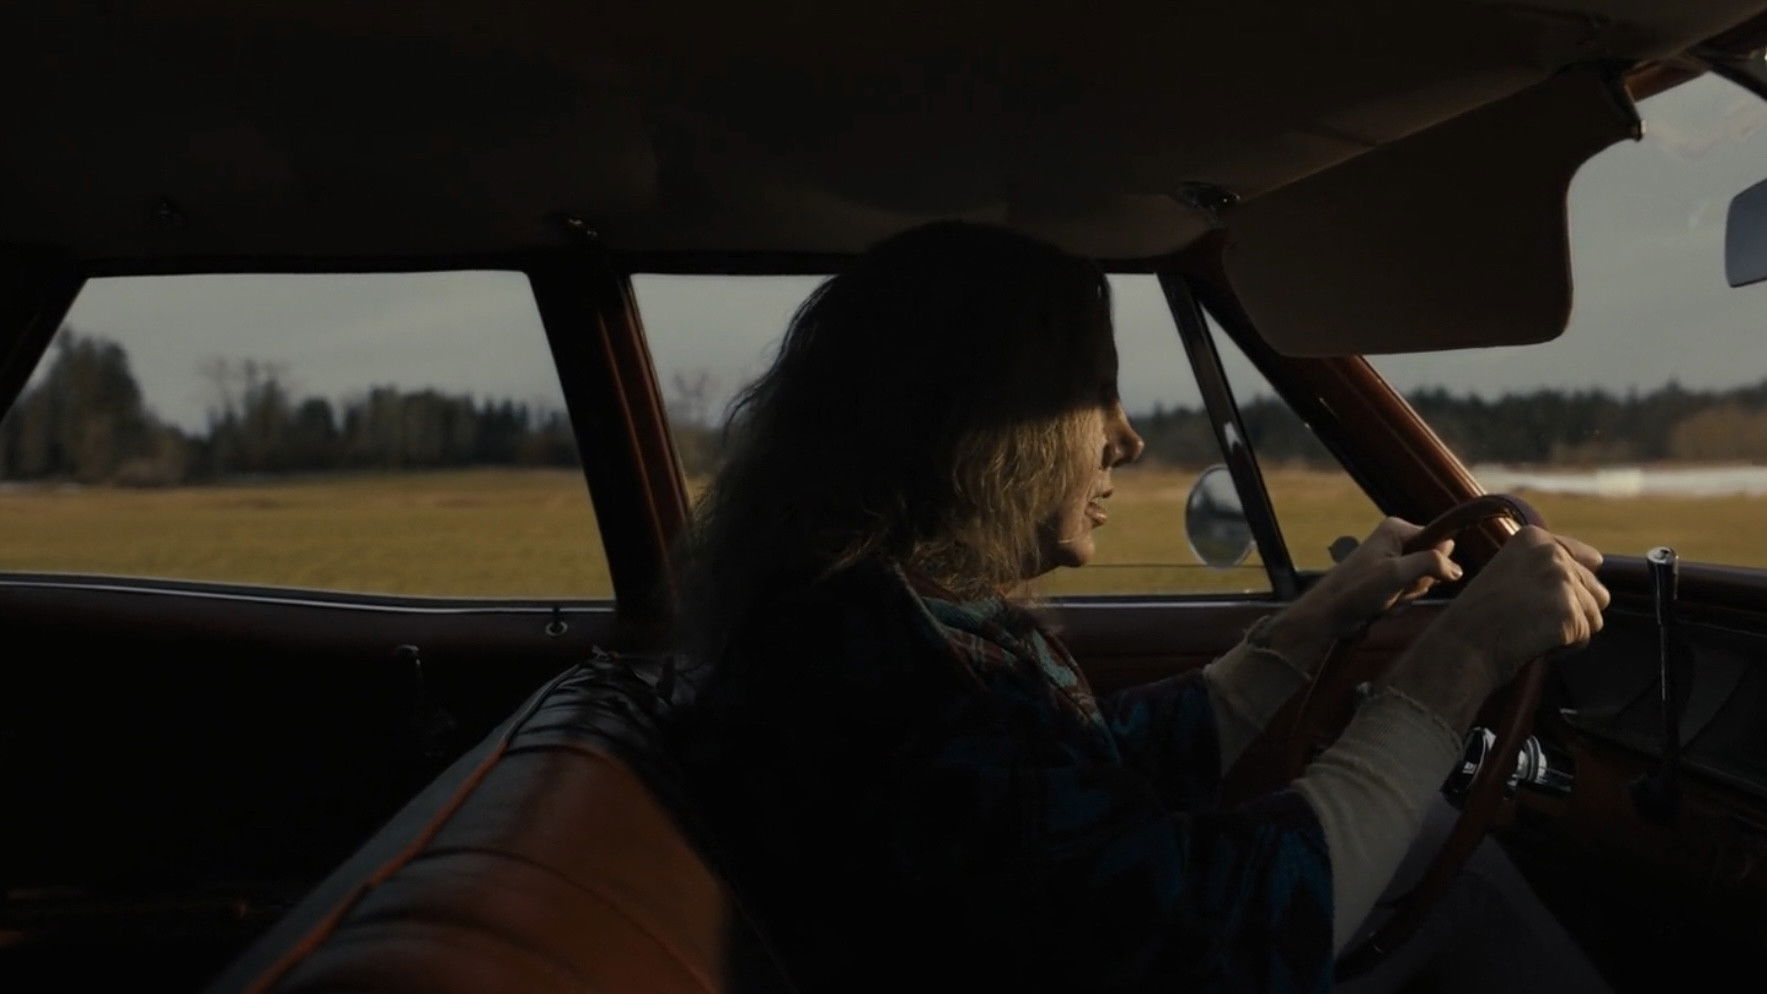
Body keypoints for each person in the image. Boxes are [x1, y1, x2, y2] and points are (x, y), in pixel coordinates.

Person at [665, 221, 1613, 993]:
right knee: (1466, 884)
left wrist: (1313, 620)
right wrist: (1458, 660)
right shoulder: (885, 673)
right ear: (985, 423)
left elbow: (1086, 778)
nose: (1124, 438)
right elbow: (1219, 940)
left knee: (1441, 851)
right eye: (1096, 395)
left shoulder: (872, 623)